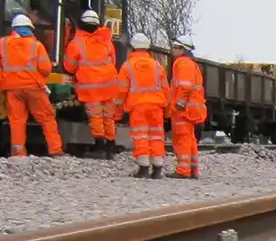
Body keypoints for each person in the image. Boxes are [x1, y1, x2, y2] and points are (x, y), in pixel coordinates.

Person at [0, 14, 63, 158]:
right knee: (47, 118)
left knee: (17, 121)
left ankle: (18, 154)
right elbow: (46, 69)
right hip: (34, 89)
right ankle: (55, 150)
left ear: (13, 29)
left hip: (13, 89)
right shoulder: (37, 46)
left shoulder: (4, 43)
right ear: (30, 29)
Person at [62, 10, 117, 158]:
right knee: (108, 116)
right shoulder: (106, 41)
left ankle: (100, 147)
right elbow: (113, 60)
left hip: (90, 87)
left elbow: (69, 67)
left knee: (96, 116)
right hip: (109, 85)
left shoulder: (76, 43)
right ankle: (111, 146)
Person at [113, 32, 168, 178]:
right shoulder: (158, 66)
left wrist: (118, 111)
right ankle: (157, 168)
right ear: (148, 48)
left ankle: (143, 167)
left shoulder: (127, 67)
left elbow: (121, 91)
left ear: (133, 48)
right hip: (156, 107)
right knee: (157, 136)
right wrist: (167, 110)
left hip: (138, 107)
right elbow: (165, 90)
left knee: (141, 135)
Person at [168, 35, 207, 179]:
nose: (172, 50)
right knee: (189, 139)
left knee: (182, 139)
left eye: (175, 47)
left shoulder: (183, 64)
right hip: (191, 109)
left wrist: (180, 103)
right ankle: (193, 170)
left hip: (184, 110)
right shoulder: (190, 64)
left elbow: (185, 86)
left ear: (182, 49)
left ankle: (183, 170)